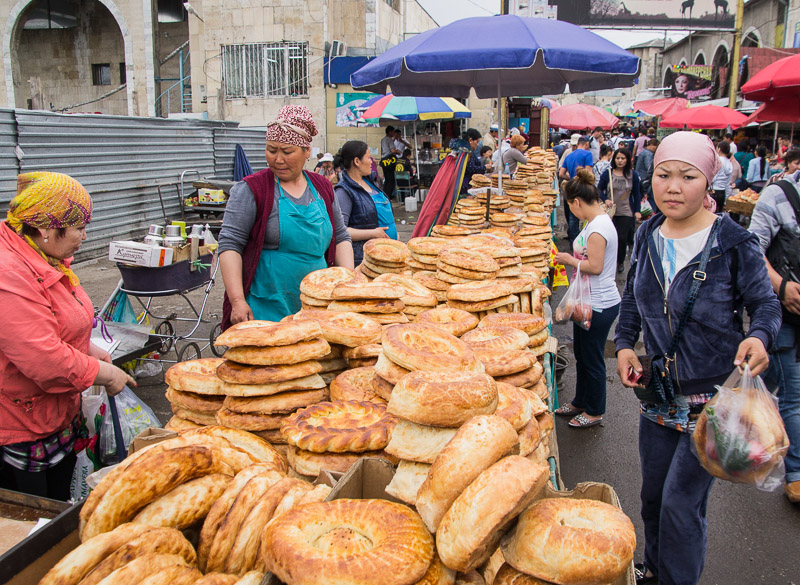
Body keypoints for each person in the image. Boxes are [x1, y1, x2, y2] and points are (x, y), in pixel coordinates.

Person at [615, 131, 781, 585]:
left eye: (687, 176)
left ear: (707, 181)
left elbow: (765, 305)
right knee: (652, 499)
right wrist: (626, 343)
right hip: (659, 397)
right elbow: (632, 300)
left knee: (681, 503)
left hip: (712, 400)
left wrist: (762, 337)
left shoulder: (733, 241)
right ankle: (655, 568)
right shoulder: (648, 234)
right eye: (663, 174)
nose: (672, 186)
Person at [0, 172, 136, 500]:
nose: (85, 236)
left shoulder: (44, 256)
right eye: (78, 227)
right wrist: (103, 373)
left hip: (53, 416)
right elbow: (43, 358)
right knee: (33, 525)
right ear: (47, 228)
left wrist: (86, 348)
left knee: (58, 506)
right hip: (20, 426)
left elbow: (53, 323)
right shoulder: (9, 274)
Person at [219, 105, 354, 326]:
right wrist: (237, 300)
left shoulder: (322, 186)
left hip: (316, 306)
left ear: (307, 151)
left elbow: (340, 237)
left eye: (287, 151)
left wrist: (348, 283)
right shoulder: (252, 189)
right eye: (272, 150)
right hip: (265, 307)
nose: (278, 159)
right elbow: (230, 245)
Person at [749, 155, 800, 504]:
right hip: (783, 312)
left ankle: (746, 438)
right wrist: (781, 286)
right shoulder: (777, 195)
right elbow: (754, 248)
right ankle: (796, 473)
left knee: (761, 388)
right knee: (792, 396)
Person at [553, 168, 620, 428]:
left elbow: (596, 266)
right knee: (581, 353)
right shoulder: (593, 222)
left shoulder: (598, 228)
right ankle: (580, 401)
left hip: (600, 304)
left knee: (592, 359)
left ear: (577, 202)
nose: (572, 211)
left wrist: (570, 259)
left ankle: (595, 411)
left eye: (570, 206)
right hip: (587, 302)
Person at [334, 140, 398, 267]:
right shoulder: (344, 191)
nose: (372, 161)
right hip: (366, 260)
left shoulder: (370, 182)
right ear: (357, 161)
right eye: (368, 157)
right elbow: (340, 231)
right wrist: (373, 233)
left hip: (388, 255)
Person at [598, 147, 642, 273]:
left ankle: (620, 261)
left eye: (623, 158)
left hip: (626, 211)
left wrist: (637, 210)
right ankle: (607, 260)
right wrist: (605, 199)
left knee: (622, 238)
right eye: (618, 158)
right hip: (609, 212)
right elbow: (599, 189)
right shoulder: (608, 174)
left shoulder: (633, 175)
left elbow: (637, 193)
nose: (620, 161)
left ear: (627, 160)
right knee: (608, 237)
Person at [560, 136, 594, 244]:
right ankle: (575, 242)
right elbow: (588, 174)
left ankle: (572, 238)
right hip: (581, 188)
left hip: (570, 187)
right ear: (587, 144)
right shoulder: (588, 154)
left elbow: (561, 174)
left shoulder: (569, 155)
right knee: (577, 215)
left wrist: (570, 179)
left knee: (571, 213)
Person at [463, 128, 487, 194]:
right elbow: (471, 168)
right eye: (477, 141)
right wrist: (485, 167)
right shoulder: (466, 153)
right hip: (465, 185)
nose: (478, 144)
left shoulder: (471, 152)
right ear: (470, 140)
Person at [711, 141, 733, 212]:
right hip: (722, 192)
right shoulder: (729, 163)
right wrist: (726, 199)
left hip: (714, 191)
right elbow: (727, 183)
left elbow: (713, 178)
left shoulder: (718, 161)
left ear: (719, 149)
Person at [380, 126, 399, 199]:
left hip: (384, 160)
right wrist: (398, 151)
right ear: (390, 132)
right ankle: (389, 195)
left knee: (387, 179)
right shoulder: (389, 140)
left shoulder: (383, 139)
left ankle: (385, 194)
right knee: (391, 179)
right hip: (389, 161)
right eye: (393, 132)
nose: (394, 133)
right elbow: (393, 151)